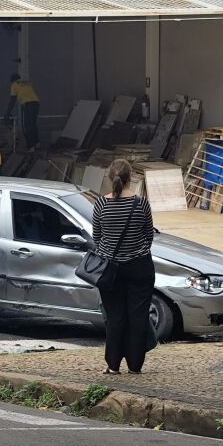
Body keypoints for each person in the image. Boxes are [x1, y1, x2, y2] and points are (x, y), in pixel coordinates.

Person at [92, 159, 155, 375]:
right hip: (140, 267)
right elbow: (149, 235)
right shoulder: (141, 203)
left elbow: (97, 238)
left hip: (110, 269)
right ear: (131, 178)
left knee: (115, 317)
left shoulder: (101, 204)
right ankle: (135, 366)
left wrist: (111, 253)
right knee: (138, 317)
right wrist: (136, 251)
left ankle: (112, 365)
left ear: (110, 177)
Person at [4, 74, 40, 151]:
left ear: (12, 80)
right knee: (33, 124)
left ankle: (31, 146)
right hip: (36, 103)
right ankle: (37, 143)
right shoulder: (26, 83)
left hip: (27, 104)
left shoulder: (14, 85)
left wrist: (7, 113)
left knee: (26, 126)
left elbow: (12, 100)